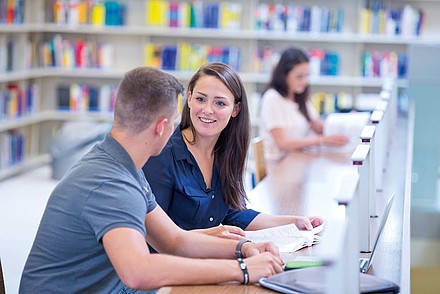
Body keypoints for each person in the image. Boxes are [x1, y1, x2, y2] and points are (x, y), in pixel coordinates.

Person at [19, 67, 284, 294]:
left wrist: (244, 248)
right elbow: (138, 271)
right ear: (161, 127)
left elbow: (174, 241)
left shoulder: (123, 165)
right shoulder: (111, 182)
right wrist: (241, 270)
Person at [142, 62, 323, 241]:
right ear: (189, 99)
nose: (207, 110)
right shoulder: (162, 155)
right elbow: (154, 236)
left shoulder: (226, 151)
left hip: (207, 258)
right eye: (200, 99)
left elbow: (234, 213)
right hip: (175, 265)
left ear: (235, 109)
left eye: (220, 103)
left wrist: (294, 223)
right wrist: (213, 237)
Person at [259, 46, 349, 162]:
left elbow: (317, 125)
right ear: (284, 75)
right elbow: (282, 142)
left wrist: (345, 123)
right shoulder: (272, 98)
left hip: (296, 159)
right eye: (299, 77)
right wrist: (321, 140)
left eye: (307, 76)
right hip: (276, 164)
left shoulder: (299, 97)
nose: (305, 82)